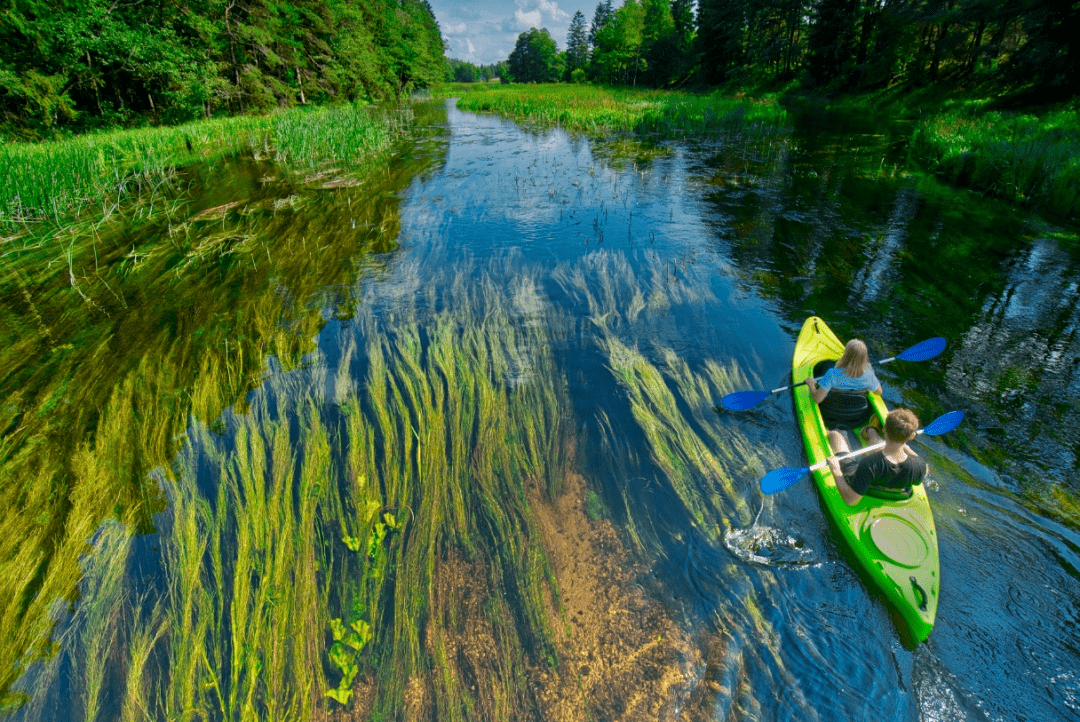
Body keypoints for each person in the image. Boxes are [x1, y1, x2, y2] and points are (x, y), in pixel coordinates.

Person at [826, 408, 928, 506]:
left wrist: (835, 469)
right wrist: (905, 447)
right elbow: (925, 469)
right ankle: (871, 430)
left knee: (836, 434)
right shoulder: (920, 466)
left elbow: (851, 500)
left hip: (857, 475)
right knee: (884, 448)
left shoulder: (869, 464)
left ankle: (831, 432)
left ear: (884, 429)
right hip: (893, 492)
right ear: (912, 436)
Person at [805, 339, 882, 429]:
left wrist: (812, 386)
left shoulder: (832, 374)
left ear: (846, 355)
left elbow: (817, 399)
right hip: (856, 419)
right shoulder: (869, 375)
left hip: (830, 417)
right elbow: (879, 392)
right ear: (864, 359)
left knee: (828, 364)